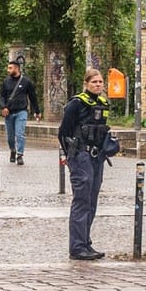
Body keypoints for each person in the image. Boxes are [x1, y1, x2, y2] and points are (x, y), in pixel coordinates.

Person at [58, 68, 111, 260]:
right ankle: (77, 247)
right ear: (86, 84)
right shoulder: (76, 104)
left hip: (97, 156)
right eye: (94, 82)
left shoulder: (103, 104)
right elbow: (63, 132)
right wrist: (71, 156)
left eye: (100, 82)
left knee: (92, 201)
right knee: (81, 200)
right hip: (80, 155)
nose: (98, 85)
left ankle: (86, 243)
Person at [0, 60, 39, 164]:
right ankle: (13, 150)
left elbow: (32, 97)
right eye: (8, 68)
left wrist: (37, 111)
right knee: (10, 137)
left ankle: (20, 155)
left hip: (21, 111)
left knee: (20, 134)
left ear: (17, 68)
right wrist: (3, 107)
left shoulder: (26, 82)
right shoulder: (6, 82)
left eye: (10, 68)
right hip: (9, 113)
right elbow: (1, 96)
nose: (8, 70)